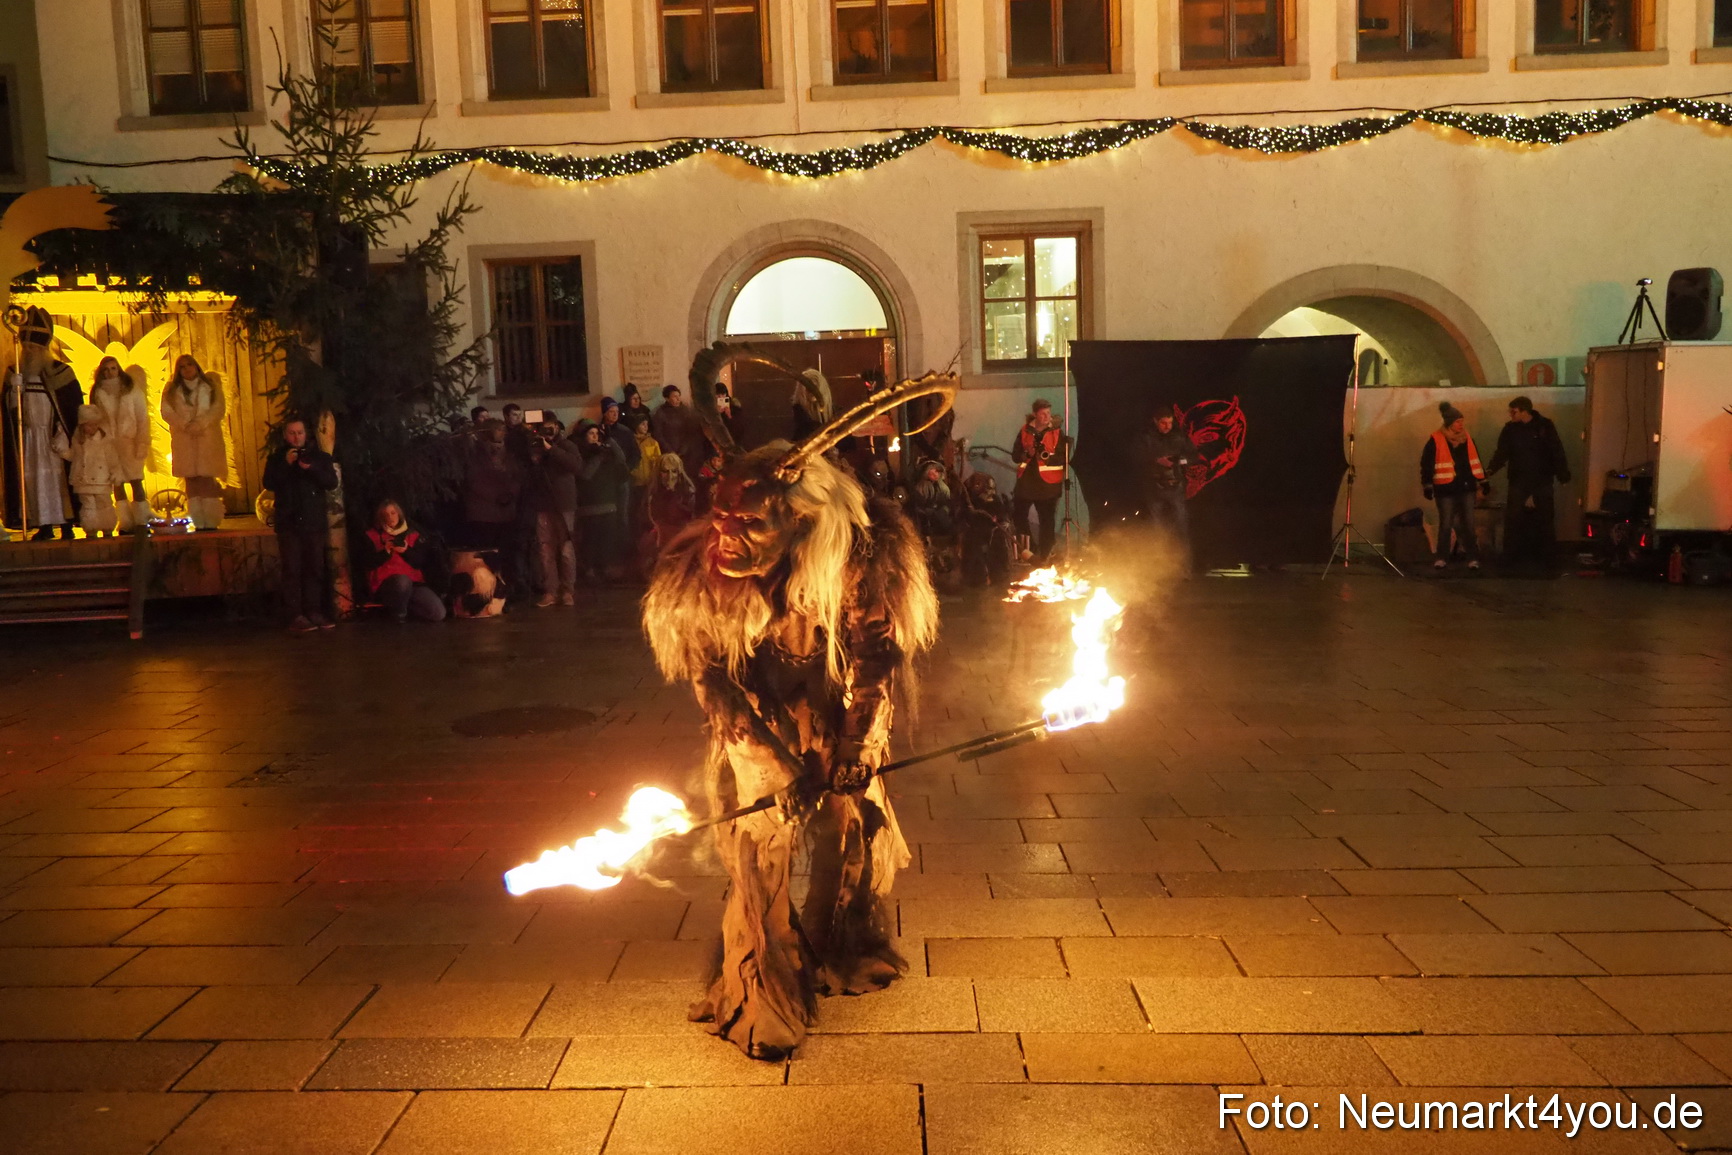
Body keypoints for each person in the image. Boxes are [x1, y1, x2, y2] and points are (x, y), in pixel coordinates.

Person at [642, 378, 944, 1061]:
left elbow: (875, 657)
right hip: (754, 702)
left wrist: (856, 745)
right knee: (760, 835)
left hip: (840, 694)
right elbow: (708, 673)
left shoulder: (863, 556)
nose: (727, 534)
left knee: (847, 816)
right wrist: (758, 746)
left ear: (802, 518)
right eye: (723, 516)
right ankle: (760, 992)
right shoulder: (704, 570)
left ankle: (837, 944)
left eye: (749, 523)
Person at [3, 306, 80, 539]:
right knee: (33, 481)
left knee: (58, 481)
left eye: (34, 348)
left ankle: (66, 524)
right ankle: (43, 525)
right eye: (26, 348)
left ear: (44, 348)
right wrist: (12, 393)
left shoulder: (61, 372)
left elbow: (70, 409)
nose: (29, 352)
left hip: (53, 437)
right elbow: (9, 412)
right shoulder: (16, 372)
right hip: (28, 437)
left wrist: (62, 432)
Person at [263, 417, 339, 631]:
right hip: (289, 523)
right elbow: (269, 482)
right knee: (292, 569)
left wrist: (312, 468)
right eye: (292, 433)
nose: (296, 437)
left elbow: (331, 483)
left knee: (315, 567)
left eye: (300, 433)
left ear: (307, 434)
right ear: (285, 435)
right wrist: (287, 466)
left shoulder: (320, 458)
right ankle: (294, 615)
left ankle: (314, 610)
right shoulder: (277, 458)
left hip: (314, 523)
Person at [1488, 395, 1572, 571]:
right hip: (1524, 480)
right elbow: (1502, 453)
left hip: (1539, 480)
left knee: (1542, 520)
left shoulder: (1544, 427)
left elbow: (1555, 451)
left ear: (1524, 411)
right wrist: (1490, 470)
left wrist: (1562, 474)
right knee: (1515, 520)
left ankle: (1544, 558)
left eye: (1514, 411)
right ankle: (1515, 558)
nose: (1511, 414)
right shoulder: (1513, 429)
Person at [162, 354, 229, 531]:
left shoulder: (210, 385)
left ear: (196, 366)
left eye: (190, 365)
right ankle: (197, 519)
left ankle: (211, 518)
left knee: (207, 478)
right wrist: (184, 425)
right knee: (191, 479)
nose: (187, 369)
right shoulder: (171, 389)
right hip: (184, 439)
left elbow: (218, 409)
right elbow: (166, 412)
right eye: (182, 367)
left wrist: (201, 423)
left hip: (207, 438)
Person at [1420, 401, 1489, 571]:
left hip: (1464, 487)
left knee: (1468, 523)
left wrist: (1483, 481)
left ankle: (1472, 557)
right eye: (1458, 422)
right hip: (1446, 489)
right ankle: (1443, 557)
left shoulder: (1467, 440)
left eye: (1461, 422)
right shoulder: (1436, 439)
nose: (1461, 425)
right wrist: (1427, 484)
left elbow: (1475, 462)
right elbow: (1427, 463)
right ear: (1450, 423)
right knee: (1446, 523)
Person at [523, 419, 583, 606]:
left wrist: (551, 449)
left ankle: (568, 590)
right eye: (545, 428)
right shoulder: (535, 445)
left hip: (564, 504)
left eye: (551, 427)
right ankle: (550, 590)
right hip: (542, 503)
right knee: (545, 548)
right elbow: (530, 469)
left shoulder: (567, 445)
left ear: (558, 427)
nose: (548, 431)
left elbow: (576, 466)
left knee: (565, 548)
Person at [90, 356, 152, 533]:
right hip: (109, 444)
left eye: (113, 368)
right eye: (106, 370)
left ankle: (142, 521)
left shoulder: (132, 390)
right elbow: (94, 417)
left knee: (136, 482)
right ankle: (125, 522)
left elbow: (142, 418)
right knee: (117, 485)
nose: (110, 373)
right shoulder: (98, 392)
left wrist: (142, 442)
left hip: (130, 442)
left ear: (119, 370)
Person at [362, 499, 447, 622]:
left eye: (393, 513)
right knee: (402, 581)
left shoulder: (413, 533)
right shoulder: (371, 535)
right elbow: (367, 563)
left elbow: (419, 562)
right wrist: (385, 552)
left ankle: (405, 608)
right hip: (386, 584)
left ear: (399, 514)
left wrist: (406, 551)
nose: (390, 517)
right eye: (386, 514)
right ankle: (399, 617)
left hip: (413, 583)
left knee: (438, 613)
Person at [1011, 399, 1069, 563]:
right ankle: (1030, 551)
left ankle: (1045, 554)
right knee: (1019, 515)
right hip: (1026, 484)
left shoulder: (1057, 432)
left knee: (1047, 521)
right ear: (1035, 414)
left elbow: (1064, 457)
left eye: (1048, 413)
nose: (1046, 417)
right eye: (1043, 413)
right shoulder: (1025, 431)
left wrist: (1047, 457)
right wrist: (1027, 454)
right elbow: (1015, 456)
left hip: (1048, 485)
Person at [573, 419, 629, 583]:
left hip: (608, 502)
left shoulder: (606, 452)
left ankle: (605, 567)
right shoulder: (581, 452)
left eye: (597, 434)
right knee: (590, 539)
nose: (595, 437)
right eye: (591, 434)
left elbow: (621, 461)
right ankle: (589, 568)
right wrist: (598, 456)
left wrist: (610, 440)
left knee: (607, 539)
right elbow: (585, 474)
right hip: (589, 505)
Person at [1136, 410, 1195, 550]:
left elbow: (1194, 456)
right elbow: (1137, 456)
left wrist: (1180, 461)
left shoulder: (1179, 436)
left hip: (1175, 486)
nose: (1167, 426)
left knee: (1181, 527)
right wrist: (1157, 460)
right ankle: (1159, 561)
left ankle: (1182, 563)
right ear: (1156, 421)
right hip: (1154, 487)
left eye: (1170, 422)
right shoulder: (1146, 437)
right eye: (1163, 423)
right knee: (1156, 527)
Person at [62, 404, 123, 537]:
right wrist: (62, 451)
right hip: (83, 479)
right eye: (89, 425)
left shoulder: (105, 440)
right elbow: (73, 456)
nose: (93, 428)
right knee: (88, 505)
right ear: (82, 425)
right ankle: (91, 528)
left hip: (102, 479)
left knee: (104, 503)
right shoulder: (78, 439)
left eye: (95, 424)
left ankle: (107, 527)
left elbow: (112, 458)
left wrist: (116, 472)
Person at [651, 384, 709, 472]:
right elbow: (658, 434)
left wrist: (684, 448)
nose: (678, 399)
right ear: (667, 398)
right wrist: (669, 450)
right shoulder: (661, 413)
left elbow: (691, 431)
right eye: (674, 396)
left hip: (686, 452)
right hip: (669, 452)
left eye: (678, 396)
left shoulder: (685, 411)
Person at [647, 451, 696, 550]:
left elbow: (688, 518)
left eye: (674, 471)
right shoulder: (654, 492)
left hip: (681, 542)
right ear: (659, 473)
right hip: (661, 541)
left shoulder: (687, 492)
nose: (670, 476)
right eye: (665, 471)